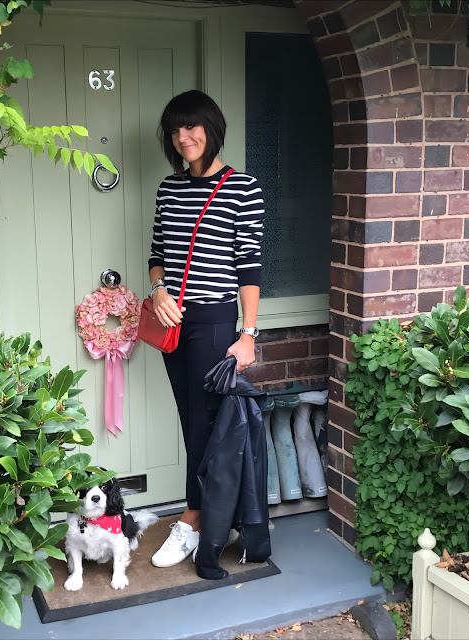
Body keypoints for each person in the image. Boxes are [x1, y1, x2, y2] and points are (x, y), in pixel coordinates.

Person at [148, 90, 265, 568]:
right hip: (171, 323)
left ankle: (193, 521)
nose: (183, 137)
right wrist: (157, 292)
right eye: (176, 130)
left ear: (212, 129)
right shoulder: (168, 189)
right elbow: (158, 256)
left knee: (205, 425)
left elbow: (250, 268)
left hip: (216, 323)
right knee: (190, 420)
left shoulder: (244, 187)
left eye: (192, 127)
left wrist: (249, 334)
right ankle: (205, 515)